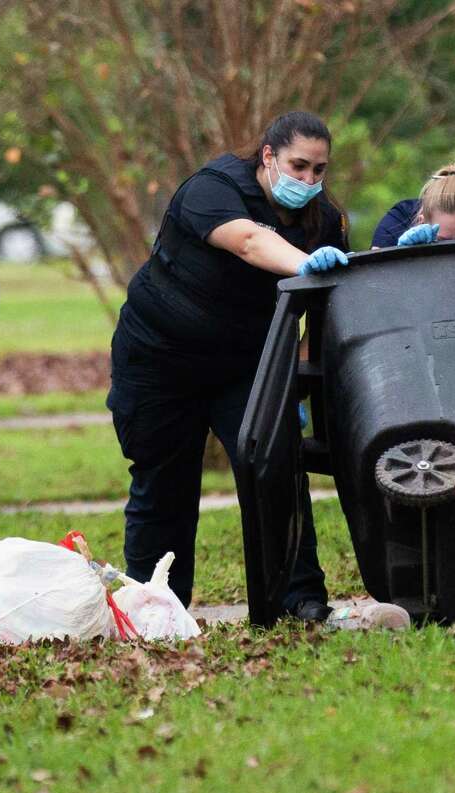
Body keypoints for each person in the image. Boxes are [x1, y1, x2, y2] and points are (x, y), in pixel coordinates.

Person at [106, 111, 349, 622]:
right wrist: (303, 265)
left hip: (245, 367)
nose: (308, 181)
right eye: (298, 166)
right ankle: (157, 611)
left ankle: (297, 602)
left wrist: (298, 377)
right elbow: (247, 241)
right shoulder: (212, 189)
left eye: (318, 171)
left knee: (276, 474)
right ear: (268, 156)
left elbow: (327, 315)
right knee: (163, 486)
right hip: (159, 359)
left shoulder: (322, 221)